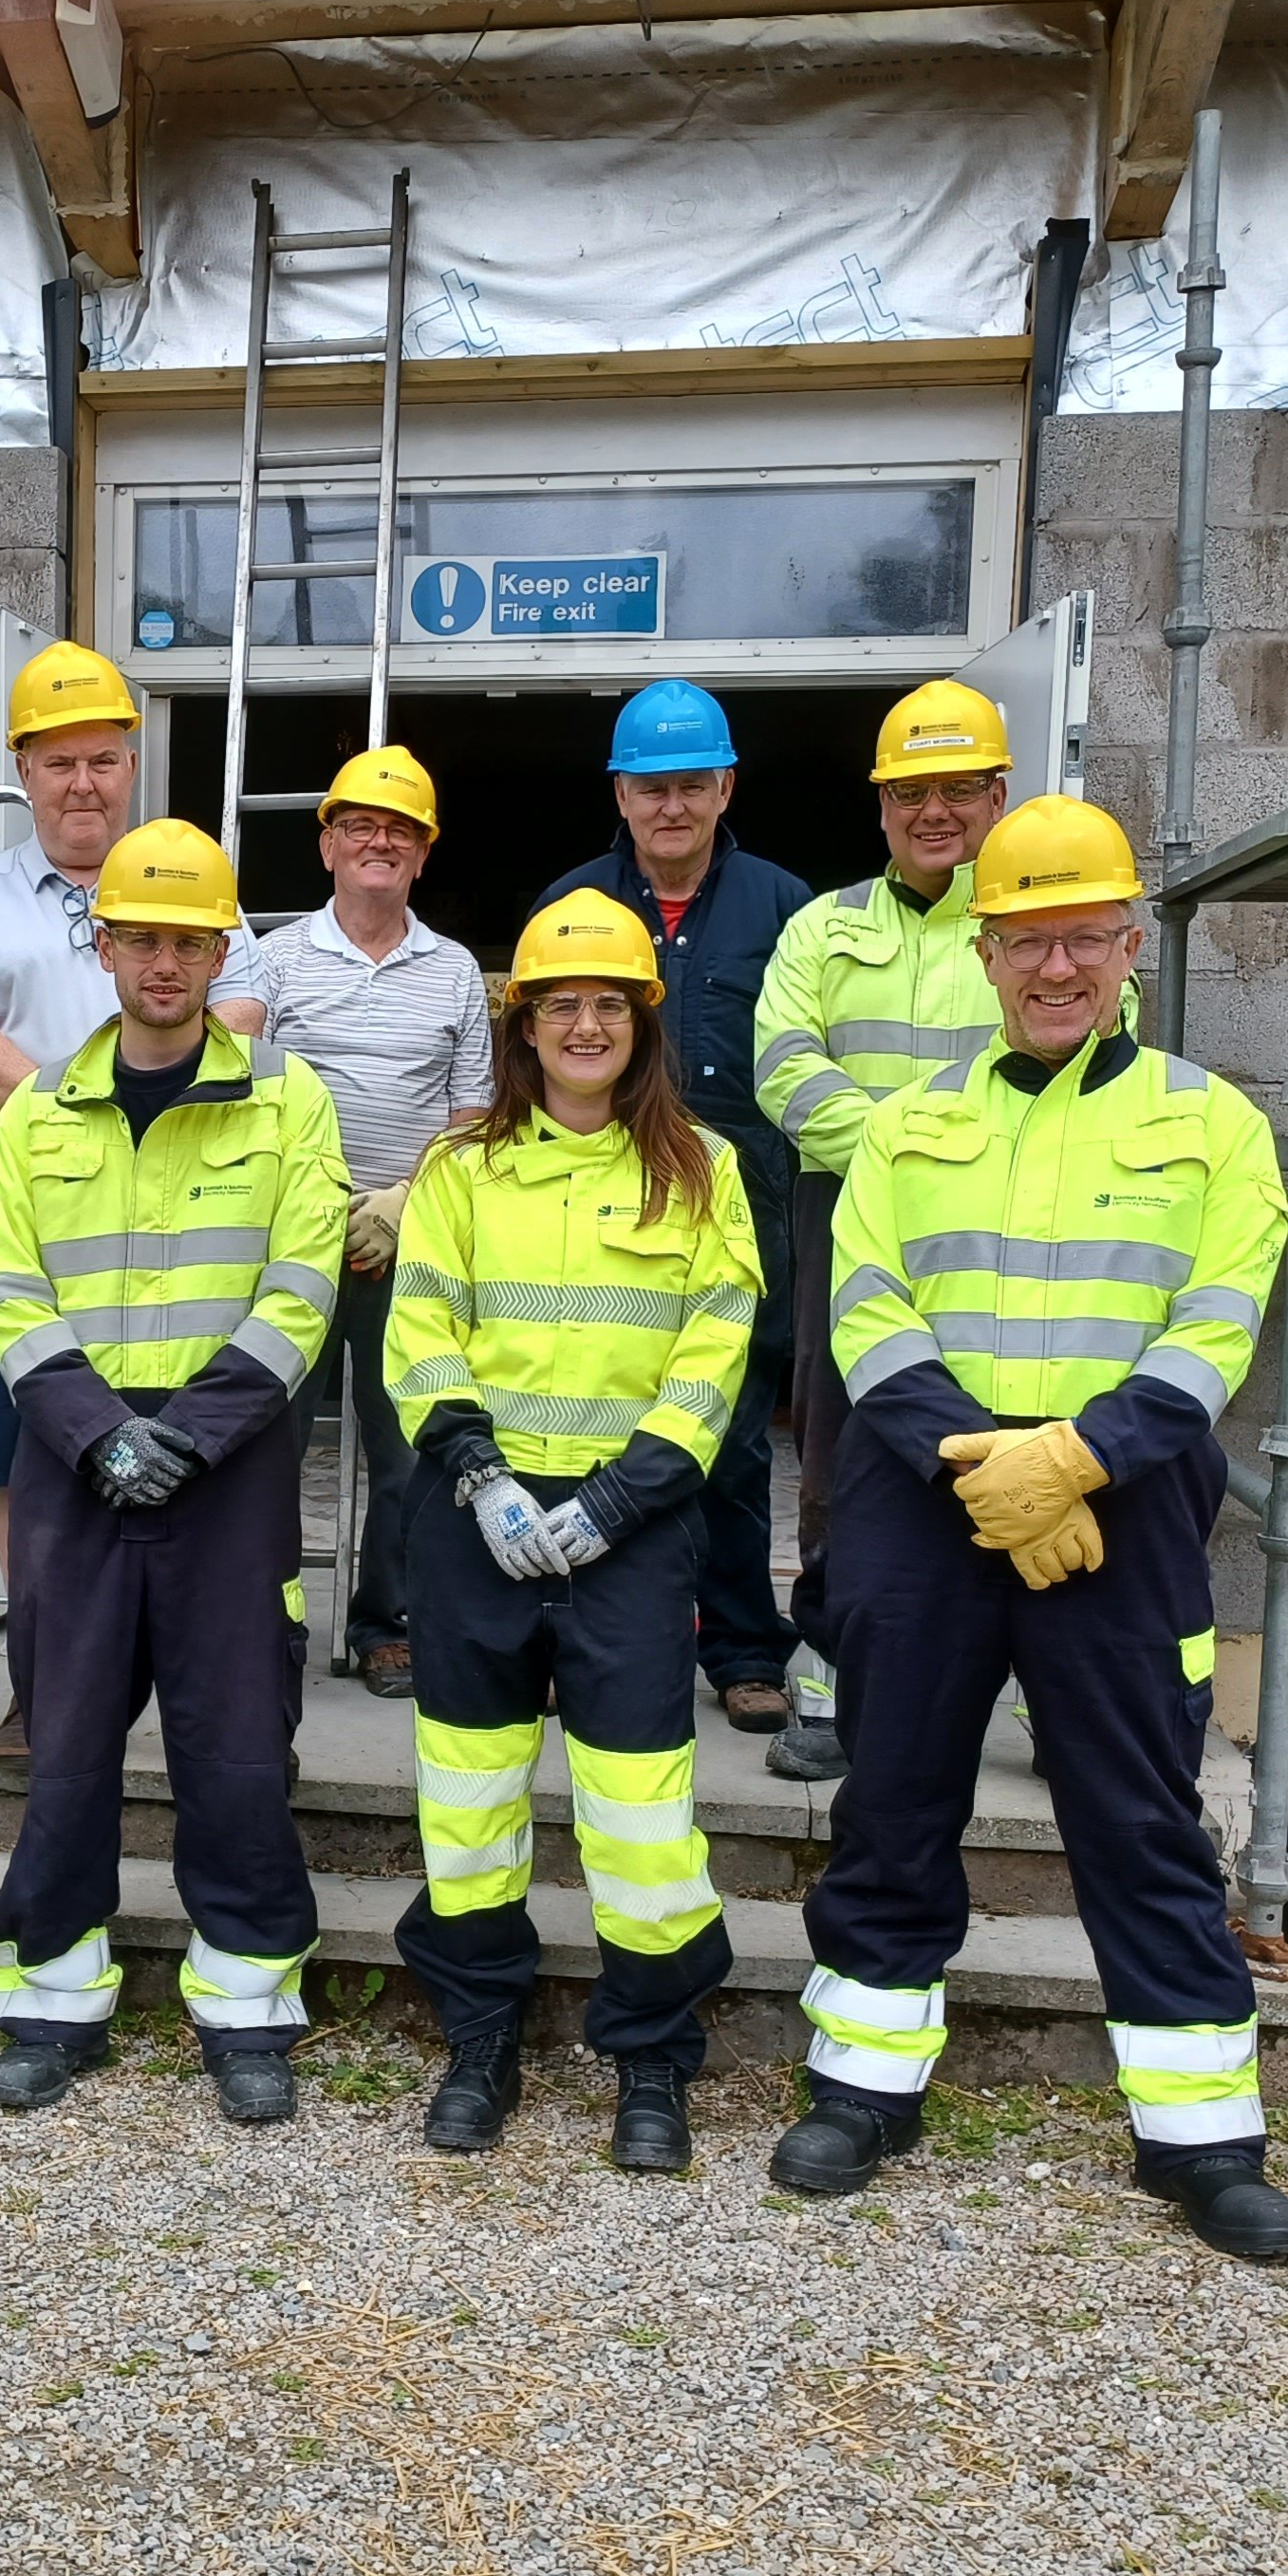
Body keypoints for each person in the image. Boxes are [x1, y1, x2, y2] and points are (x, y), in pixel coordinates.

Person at [773, 794, 1288, 2264]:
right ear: (987, 956)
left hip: (1121, 1514)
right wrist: (986, 1470)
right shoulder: (912, 1125)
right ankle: (865, 2086)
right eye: (1028, 941)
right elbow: (867, 1312)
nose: (1056, 967)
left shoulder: (1211, 1124)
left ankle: (1201, 2139)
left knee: (1137, 1817)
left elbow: (1217, 1326)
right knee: (894, 1799)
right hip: (925, 1508)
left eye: (1083, 937)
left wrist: (1075, 1458)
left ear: (1128, 944)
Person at [0, 818, 348, 2126]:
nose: (167, 962)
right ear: (106, 942)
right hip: (78, 1465)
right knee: (66, 1736)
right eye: (144, 937)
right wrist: (92, 1428)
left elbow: (302, 1290)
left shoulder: (290, 1103)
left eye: (192, 940)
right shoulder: (37, 1106)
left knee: (236, 1742)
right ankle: (53, 1998)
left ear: (219, 947)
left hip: (224, 1467)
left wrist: (189, 1429)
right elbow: (10, 1287)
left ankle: (246, 2005)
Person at [384, 893, 757, 2174]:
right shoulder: (459, 1170)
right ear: (524, 1028)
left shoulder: (703, 1170)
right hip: (477, 1528)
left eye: (609, 1003)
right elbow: (420, 1334)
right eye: (561, 1006)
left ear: (643, 1024)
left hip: (629, 1537)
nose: (585, 1024)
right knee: (472, 1804)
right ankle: (480, 2038)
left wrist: (616, 1501)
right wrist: (483, 1477)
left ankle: (652, 2059)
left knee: (641, 1820)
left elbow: (714, 1359)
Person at [0, 640, 265, 1758]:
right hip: (4, 1242)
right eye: (57, 762)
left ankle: (198, 1692)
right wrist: (89, 1118)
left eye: (103, 759)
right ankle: (47, 1687)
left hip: (179, 1254)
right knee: (30, 1469)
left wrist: (111, 1124)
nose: (82, 784)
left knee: (182, 1456)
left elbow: (237, 1020)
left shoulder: (195, 887)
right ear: (21, 769)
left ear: (130, 764)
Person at [526, 678, 810, 1737]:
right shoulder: (571, 908)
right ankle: (570, 1639)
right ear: (621, 792)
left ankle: (741, 1648)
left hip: (739, 1211)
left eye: (692, 784)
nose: (672, 807)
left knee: (730, 1437)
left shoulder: (787, 911)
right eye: (652, 788)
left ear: (726, 786)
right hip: (591, 1204)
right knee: (592, 1421)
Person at [748, 683, 1019, 1783]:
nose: (936, 811)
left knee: (1007, 1422)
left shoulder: (1029, 925)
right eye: (914, 792)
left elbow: (1095, 1041)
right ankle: (833, 1675)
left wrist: (952, 1162)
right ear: (881, 806)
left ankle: (1039, 1684)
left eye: (960, 788)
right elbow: (783, 1063)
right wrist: (912, 1152)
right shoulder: (825, 926)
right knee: (839, 1438)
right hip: (849, 1213)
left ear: (999, 795)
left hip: (1004, 1218)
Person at [238, 744, 495, 1700]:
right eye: (360, 826)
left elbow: (472, 1118)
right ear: (328, 846)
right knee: (269, 1441)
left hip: (410, 1241)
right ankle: (263, 1610)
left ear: (423, 854)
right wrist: (320, 1206)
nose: (379, 841)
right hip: (296, 1241)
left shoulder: (456, 971)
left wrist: (400, 1204)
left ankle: (386, 1622)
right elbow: (251, 1101)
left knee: (406, 1451)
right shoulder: (275, 961)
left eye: (400, 830)